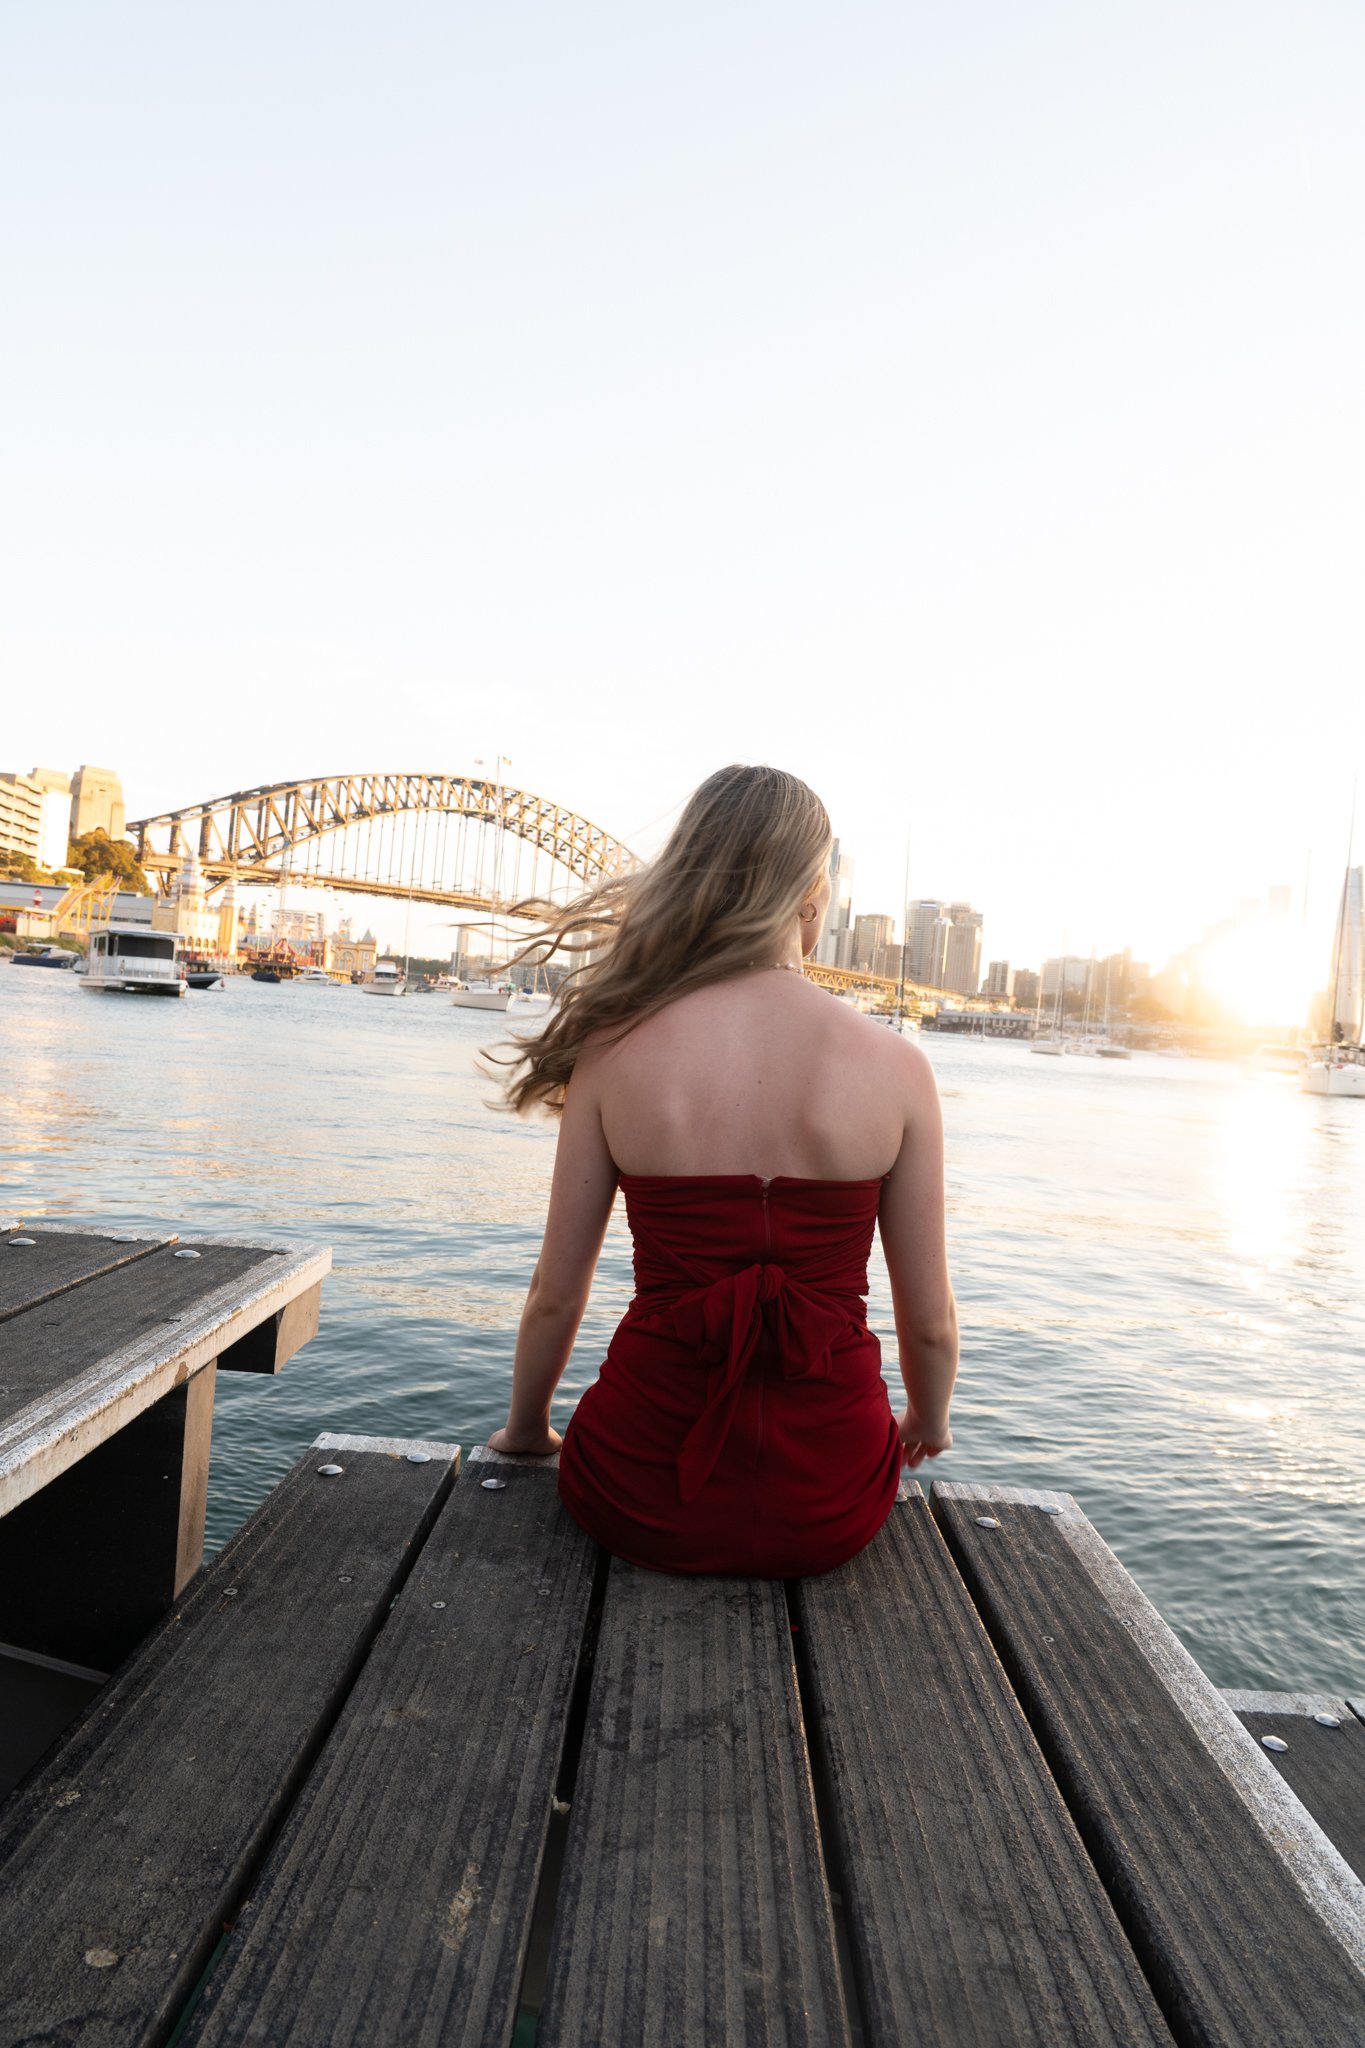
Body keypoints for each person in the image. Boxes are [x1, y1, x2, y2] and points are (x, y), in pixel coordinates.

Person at [488, 763, 957, 1577]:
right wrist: (927, 1418)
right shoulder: (898, 1069)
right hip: (832, 1501)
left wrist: (526, 1431)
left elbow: (556, 1294)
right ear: (813, 894)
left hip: (635, 1489)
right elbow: (929, 1321)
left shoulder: (613, 1052)